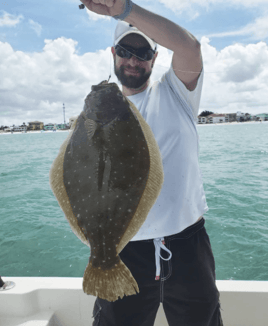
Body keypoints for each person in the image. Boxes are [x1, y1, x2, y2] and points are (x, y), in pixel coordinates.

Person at [80, 0, 223, 325]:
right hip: (122, 248)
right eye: (126, 50)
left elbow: (190, 46)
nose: (133, 59)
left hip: (188, 246)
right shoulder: (97, 115)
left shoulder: (177, 92)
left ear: (155, 58)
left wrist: (123, 10)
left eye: (143, 52)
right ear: (113, 52)